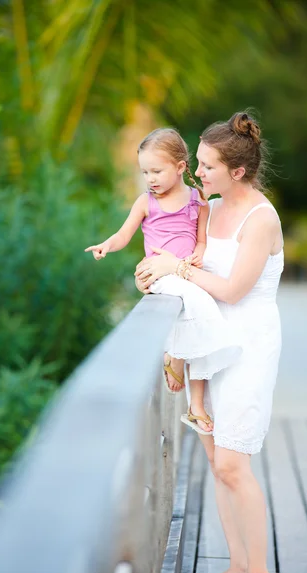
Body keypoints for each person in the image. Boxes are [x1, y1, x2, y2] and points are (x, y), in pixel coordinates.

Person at [135, 112, 282, 573]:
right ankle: (237, 568)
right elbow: (181, 266)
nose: (197, 174)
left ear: (237, 170)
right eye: (196, 163)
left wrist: (174, 265)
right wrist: (154, 275)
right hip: (208, 346)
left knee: (234, 465)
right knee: (217, 462)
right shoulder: (209, 208)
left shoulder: (262, 219)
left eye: (207, 166)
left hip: (248, 347)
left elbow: (234, 290)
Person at [85, 128, 242, 434]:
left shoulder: (198, 201)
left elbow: (200, 241)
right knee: (200, 305)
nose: (150, 179)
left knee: (197, 320)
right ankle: (174, 354)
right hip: (158, 275)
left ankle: (196, 403)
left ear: (181, 167)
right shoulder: (146, 203)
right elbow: (123, 234)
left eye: (156, 171)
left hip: (184, 273)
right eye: (145, 172)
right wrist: (107, 245)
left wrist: (197, 255)